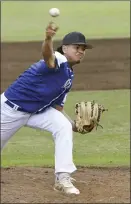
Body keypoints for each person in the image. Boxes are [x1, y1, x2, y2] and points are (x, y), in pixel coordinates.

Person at [1, 22, 92, 195]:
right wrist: (48, 38)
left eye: (83, 49)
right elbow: (47, 56)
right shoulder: (59, 59)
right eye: (77, 47)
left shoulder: (69, 76)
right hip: (9, 111)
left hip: (36, 112)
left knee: (62, 126)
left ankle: (62, 178)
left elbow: (57, 108)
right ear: (64, 48)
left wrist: (75, 126)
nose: (81, 51)